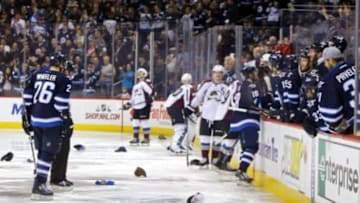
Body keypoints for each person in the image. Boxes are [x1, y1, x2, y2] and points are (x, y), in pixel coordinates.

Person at [22, 54, 73, 200]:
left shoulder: (36, 74)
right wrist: (66, 119)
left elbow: (27, 96)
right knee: (48, 153)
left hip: (36, 119)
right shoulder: (63, 79)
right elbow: (60, 103)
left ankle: (40, 179)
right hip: (51, 120)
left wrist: (26, 117)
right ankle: (39, 183)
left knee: (42, 152)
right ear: (61, 65)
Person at [185, 65, 232, 166]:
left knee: (217, 139)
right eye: (215, 73)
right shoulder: (206, 85)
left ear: (223, 75)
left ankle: (215, 159)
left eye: (220, 73)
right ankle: (204, 158)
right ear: (212, 74)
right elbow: (198, 97)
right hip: (206, 115)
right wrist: (191, 107)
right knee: (204, 138)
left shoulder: (226, 87)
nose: (217, 75)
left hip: (219, 117)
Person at [229, 66, 263, 183]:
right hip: (248, 120)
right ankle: (242, 170)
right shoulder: (251, 86)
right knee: (252, 146)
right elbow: (256, 103)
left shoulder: (240, 85)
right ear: (250, 74)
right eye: (255, 72)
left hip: (237, 119)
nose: (257, 74)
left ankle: (241, 169)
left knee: (246, 147)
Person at [319, 47, 354, 134]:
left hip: (354, 127)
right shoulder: (355, 65)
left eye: (326, 61)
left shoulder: (331, 78)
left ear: (331, 60)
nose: (325, 65)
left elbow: (332, 116)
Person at [50, 60, 74, 188]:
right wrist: (65, 119)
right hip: (59, 119)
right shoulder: (62, 80)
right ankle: (58, 178)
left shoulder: (49, 79)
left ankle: (56, 176)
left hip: (49, 119)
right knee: (62, 149)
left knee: (57, 150)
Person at [165, 73, 195, 153]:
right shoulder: (188, 88)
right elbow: (187, 100)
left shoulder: (181, 88)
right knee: (181, 128)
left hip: (171, 107)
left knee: (179, 127)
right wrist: (187, 110)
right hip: (175, 108)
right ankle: (175, 146)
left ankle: (174, 144)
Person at [124, 68, 154, 145]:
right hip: (136, 106)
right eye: (138, 72)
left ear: (145, 74)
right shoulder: (135, 86)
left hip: (144, 105)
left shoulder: (146, 82)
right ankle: (135, 138)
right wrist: (128, 103)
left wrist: (150, 99)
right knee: (135, 122)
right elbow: (133, 98)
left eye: (141, 73)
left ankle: (146, 138)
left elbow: (151, 91)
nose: (139, 74)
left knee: (145, 122)